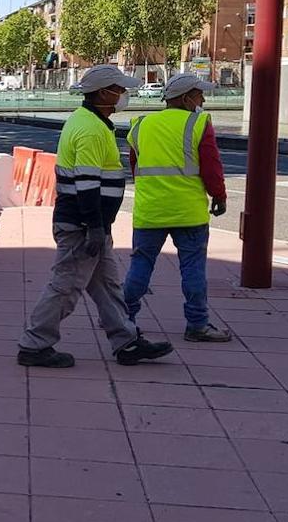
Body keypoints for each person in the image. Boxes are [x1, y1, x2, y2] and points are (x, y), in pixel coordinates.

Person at [18, 65, 175, 368]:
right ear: (104, 93)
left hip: (89, 224)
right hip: (82, 225)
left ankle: (126, 341)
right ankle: (35, 344)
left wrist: (98, 226)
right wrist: (93, 227)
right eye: (119, 89)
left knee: (106, 286)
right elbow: (86, 183)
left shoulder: (88, 122)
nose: (124, 95)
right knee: (65, 286)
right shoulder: (90, 129)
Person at [122, 73, 230, 342]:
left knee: (140, 266)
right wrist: (219, 195)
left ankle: (122, 319)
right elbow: (211, 165)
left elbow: (135, 167)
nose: (202, 99)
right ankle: (197, 325)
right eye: (199, 94)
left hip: (150, 210)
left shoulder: (140, 125)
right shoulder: (198, 122)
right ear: (185, 98)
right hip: (188, 212)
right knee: (192, 268)